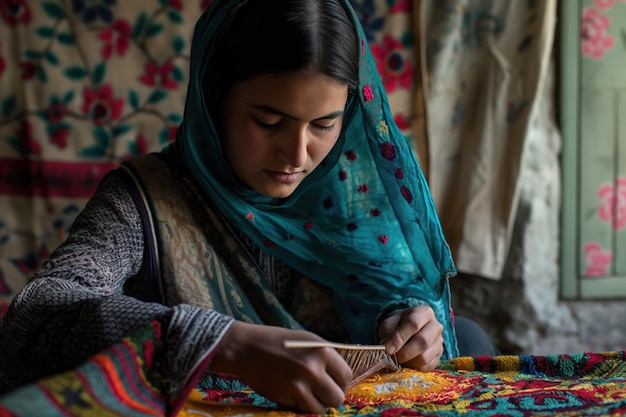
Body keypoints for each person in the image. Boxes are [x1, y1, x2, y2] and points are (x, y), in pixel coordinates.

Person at [0, 0, 498, 414]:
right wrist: (223, 344)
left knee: (466, 338)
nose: (297, 155)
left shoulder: (351, 199)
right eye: (268, 121)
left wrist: (402, 324)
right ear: (214, 100)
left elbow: (393, 302)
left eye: (324, 125)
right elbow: (38, 314)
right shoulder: (146, 200)